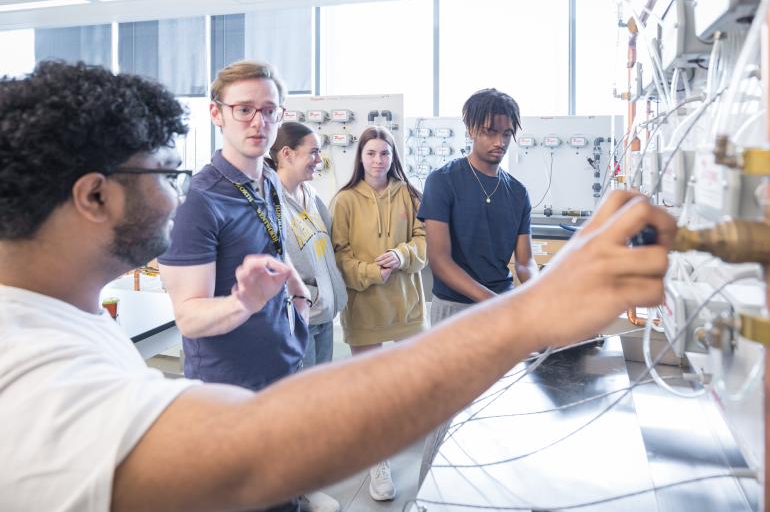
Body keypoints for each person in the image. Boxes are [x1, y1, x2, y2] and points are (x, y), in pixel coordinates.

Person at [0, 61, 676, 512]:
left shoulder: (63, 317)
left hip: (285, 358)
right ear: (93, 195)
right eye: (162, 174)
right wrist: (531, 311)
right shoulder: (29, 379)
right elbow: (250, 450)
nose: (176, 197)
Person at [156, 61, 319, 512]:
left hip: (281, 367)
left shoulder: (266, 179)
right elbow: (189, 316)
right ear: (216, 114)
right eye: (244, 109)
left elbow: (274, 242)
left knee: (282, 490)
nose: (258, 122)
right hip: (230, 389)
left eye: (269, 110)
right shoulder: (200, 203)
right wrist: (244, 302)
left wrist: (298, 293)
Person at [416, 88, 538, 481]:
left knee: (495, 410)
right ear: (470, 129)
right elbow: (440, 260)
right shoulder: (443, 181)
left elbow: (524, 260)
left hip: (498, 310)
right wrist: (493, 301)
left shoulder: (517, 193)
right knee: (446, 413)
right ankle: (427, 498)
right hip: (454, 310)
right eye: (490, 132)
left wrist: (534, 292)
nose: (499, 142)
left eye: (506, 133)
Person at [330, 126, 428, 501]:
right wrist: (371, 272)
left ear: (393, 157)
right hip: (365, 306)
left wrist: (403, 255)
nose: (377, 161)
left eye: (384, 154)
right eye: (370, 154)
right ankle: (378, 461)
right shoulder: (344, 201)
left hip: (406, 305)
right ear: (360, 157)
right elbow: (338, 255)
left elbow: (424, 240)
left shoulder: (409, 194)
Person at [271, 122, 347, 370]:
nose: (318, 159)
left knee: (321, 395)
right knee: (305, 398)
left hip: (324, 314)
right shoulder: (271, 203)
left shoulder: (310, 194)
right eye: (313, 152)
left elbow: (328, 243)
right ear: (287, 154)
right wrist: (307, 295)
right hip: (300, 318)